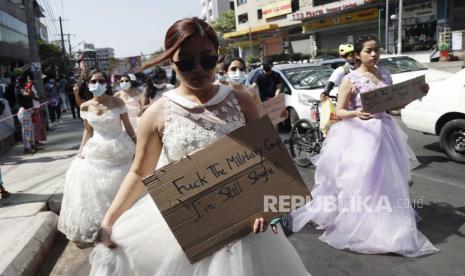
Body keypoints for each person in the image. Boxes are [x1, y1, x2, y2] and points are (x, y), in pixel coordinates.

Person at [89, 17, 310, 276]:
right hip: (188, 227)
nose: (198, 68)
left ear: (217, 56)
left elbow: (269, 157)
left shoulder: (242, 101)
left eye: (206, 59)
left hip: (247, 225)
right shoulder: (156, 113)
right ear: (171, 60)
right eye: (186, 61)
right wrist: (109, 220)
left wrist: (269, 208)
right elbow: (139, 172)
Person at [288, 35, 439, 257]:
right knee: (362, 182)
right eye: (368, 51)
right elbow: (338, 111)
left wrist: (417, 94)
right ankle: (359, 222)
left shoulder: (385, 74)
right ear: (357, 54)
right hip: (359, 134)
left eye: (376, 50)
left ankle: (387, 224)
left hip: (385, 132)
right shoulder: (350, 79)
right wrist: (356, 113)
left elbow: (394, 105)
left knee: (387, 180)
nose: (374, 54)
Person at [58, 70, 136, 246]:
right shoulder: (85, 106)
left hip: (119, 148)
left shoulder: (117, 102)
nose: (97, 84)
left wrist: (138, 147)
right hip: (96, 149)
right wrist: (81, 150)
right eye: (94, 81)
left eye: (101, 81)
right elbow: (88, 131)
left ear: (106, 83)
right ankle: (104, 230)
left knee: (121, 187)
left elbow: (129, 128)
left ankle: (124, 225)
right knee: (94, 188)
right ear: (88, 84)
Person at [15, 77, 37, 154]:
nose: (27, 82)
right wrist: (30, 86)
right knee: (26, 131)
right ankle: (27, 148)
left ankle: (32, 145)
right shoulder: (19, 89)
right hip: (24, 111)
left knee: (30, 130)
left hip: (28, 111)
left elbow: (32, 95)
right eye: (26, 81)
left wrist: (29, 87)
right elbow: (27, 94)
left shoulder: (24, 88)